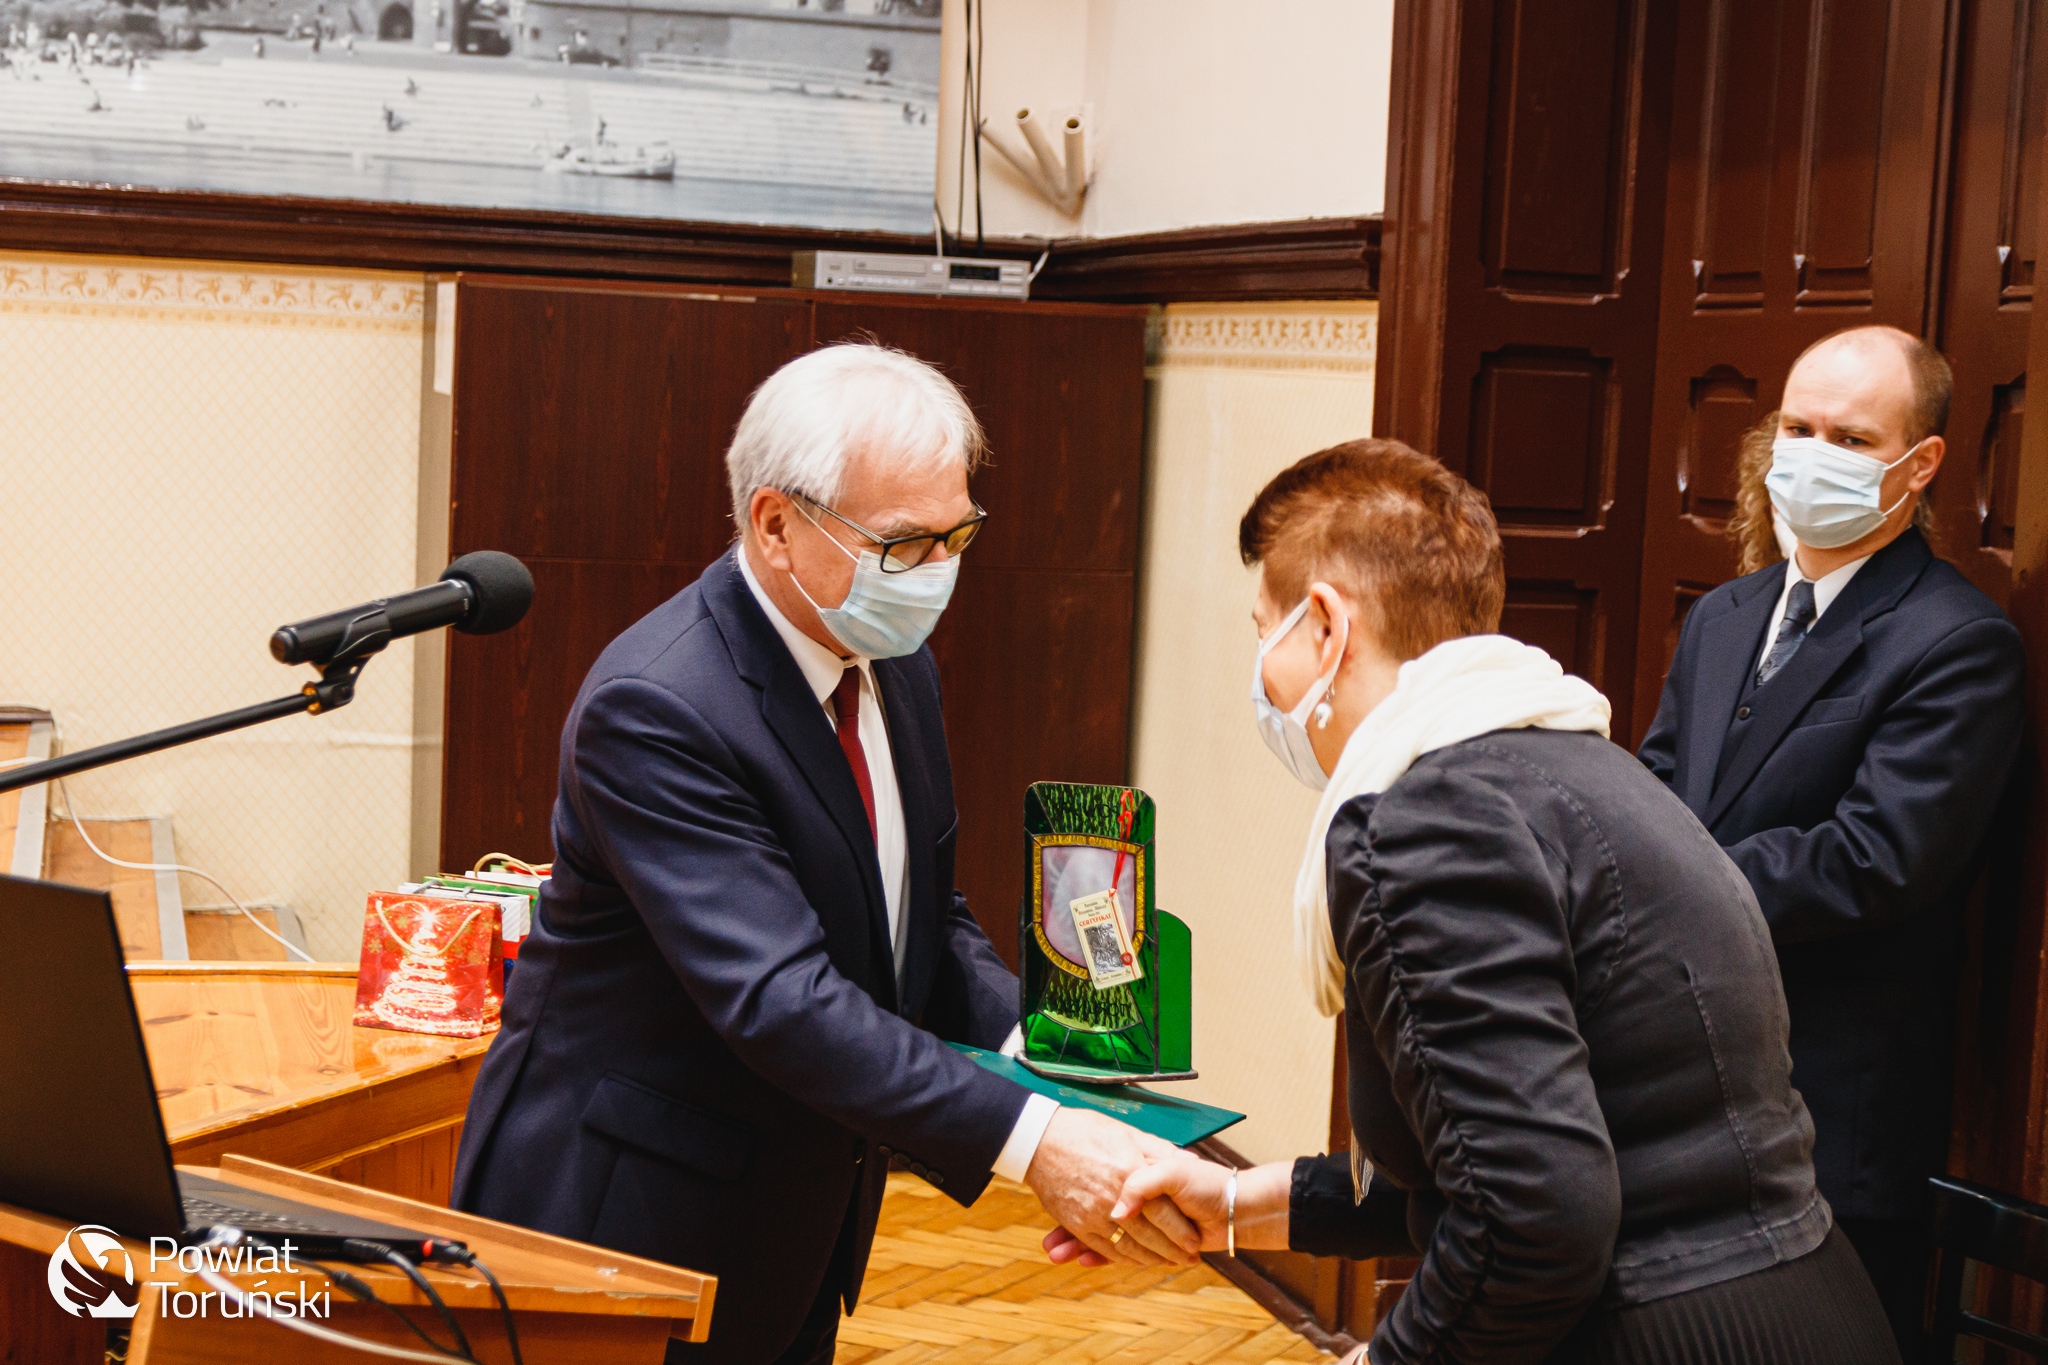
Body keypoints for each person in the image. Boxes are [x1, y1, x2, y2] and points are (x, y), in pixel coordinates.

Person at [451, 343, 1196, 1365]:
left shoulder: (896, 668)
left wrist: (1049, 1062)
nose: (938, 573)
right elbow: (781, 996)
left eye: (956, 535)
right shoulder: (660, 707)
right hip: (630, 1216)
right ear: (774, 526)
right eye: (903, 546)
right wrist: (1035, 1141)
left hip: (794, 1213)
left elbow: (920, 918)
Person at [1087, 440, 1897, 1363]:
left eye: (1262, 629)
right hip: (1799, 1309)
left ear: (1323, 625)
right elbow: (1505, 1146)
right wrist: (1235, 1203)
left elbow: (1536, 1220)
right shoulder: (1583, 767)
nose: (1261, 677)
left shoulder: (1429, 825)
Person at [1637, 326, 2025, 1361]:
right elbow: (1656, 791)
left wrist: (1655, 886)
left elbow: (1872, 860)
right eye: (1795, 429)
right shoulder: (1723, 617)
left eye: (1849, 439)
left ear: (1920, 463)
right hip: (1676, 1102)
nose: (1807, 456)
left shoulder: (1955, 643)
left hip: (1831, 1124)